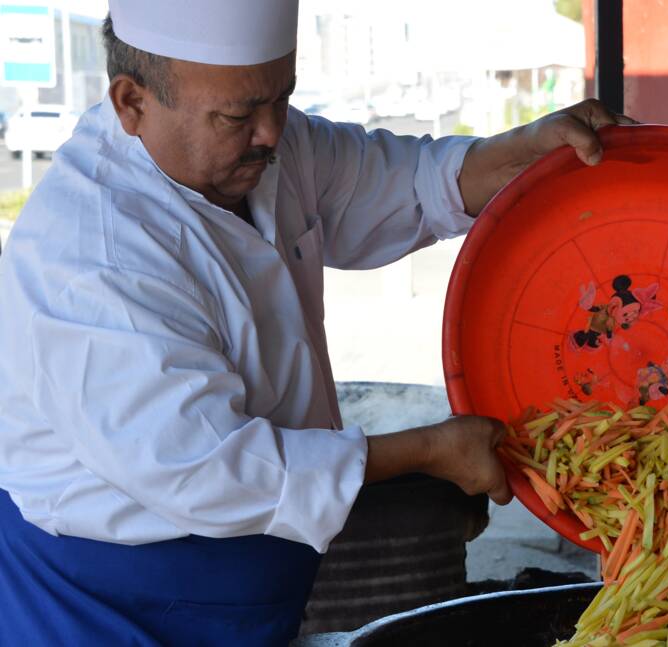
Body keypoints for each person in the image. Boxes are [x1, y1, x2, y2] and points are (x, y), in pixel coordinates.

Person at [0, 1, 633, 644]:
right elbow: (208, 467)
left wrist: (526, 152)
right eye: (238, 114)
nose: (272, 133)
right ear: (132, 101)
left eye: (282, 97)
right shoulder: (92, 253)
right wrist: (429, 451)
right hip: (101, 604)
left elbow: (409, 181)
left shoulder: (269, 143)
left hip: (252, 593)